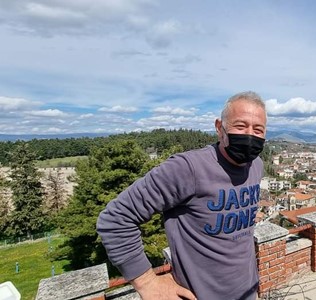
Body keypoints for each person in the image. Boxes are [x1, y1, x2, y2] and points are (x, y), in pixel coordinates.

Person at [96, 91, 267, 300]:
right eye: (240, 126)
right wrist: (148, 282)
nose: (250, 135)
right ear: (219, 128)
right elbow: (115, 218)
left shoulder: (256, 166)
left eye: (258, 129)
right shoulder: (188, 168)